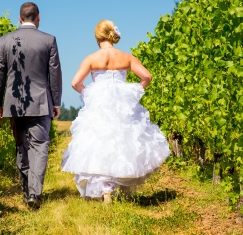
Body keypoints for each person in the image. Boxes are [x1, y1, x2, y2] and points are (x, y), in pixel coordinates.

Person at [61, 19, 170, 203]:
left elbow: (75, 83)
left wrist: (86, 92)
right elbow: (147, 76)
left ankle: (106, 190)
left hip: (100, 101)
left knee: (100, 141)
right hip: (122, 101)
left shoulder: (91, 58)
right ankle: (119, 185)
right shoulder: (126, 57)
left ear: (98, 37)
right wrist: (136, 91)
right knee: (123, 140)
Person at [0, 2, 62, 209]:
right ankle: (34, 194)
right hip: (41, 101)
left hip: (13, 103)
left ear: (20, 18)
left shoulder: (4, 41)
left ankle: (27, 192)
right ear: (38, 17)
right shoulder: (49, 40)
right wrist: (56, 102)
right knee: (39, 147)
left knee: (21, 146)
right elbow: (54, 74)